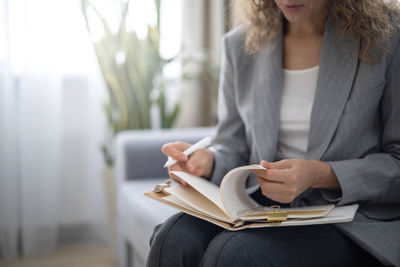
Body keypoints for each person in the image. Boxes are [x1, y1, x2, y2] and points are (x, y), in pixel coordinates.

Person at [147, 0, 400, 266]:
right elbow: (232, 145)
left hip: (352, 216)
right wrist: (207, 162)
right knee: (172, 239)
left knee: (232, 255)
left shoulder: (387, 39)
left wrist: (318, 174)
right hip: (264, 205)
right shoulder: (241, 45)